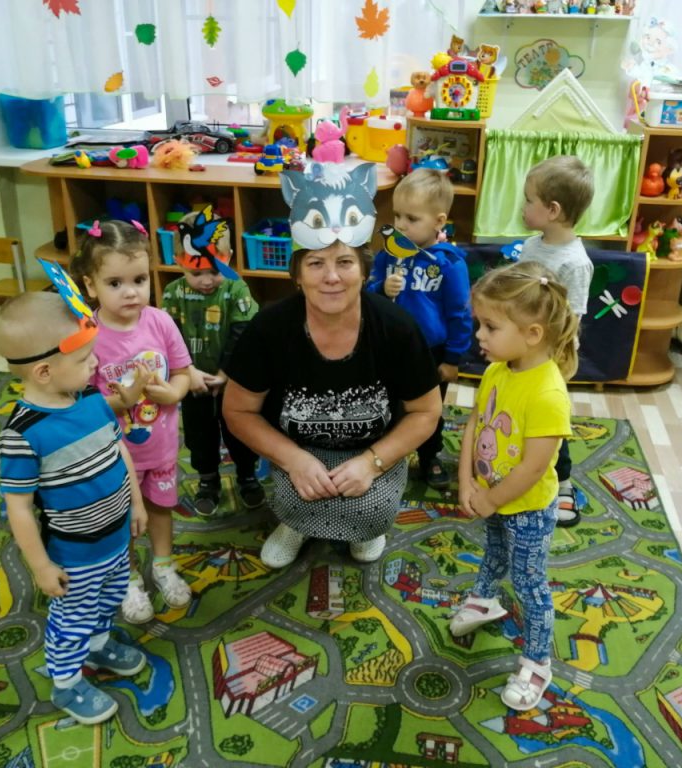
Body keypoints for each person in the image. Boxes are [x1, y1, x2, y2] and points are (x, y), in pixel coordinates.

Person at [223, 242, 443, 568]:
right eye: (315, 263)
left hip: (374, 446)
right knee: (297, 498)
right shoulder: (269, 328)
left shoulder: (396, 326)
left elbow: (426, 411)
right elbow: (238, 410)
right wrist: (292, 459)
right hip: (297, 446)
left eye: (344, 262)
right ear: (297, 275)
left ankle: (366, 530)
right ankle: (295, 525)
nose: (331, 276)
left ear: (364, 271)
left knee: (372, 508)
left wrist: (372, 463)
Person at [0, 291, 148, 725]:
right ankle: (66, 683)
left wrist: (136, 502)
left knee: (110, 597)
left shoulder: (93, 402)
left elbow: (120, 451)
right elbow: (19, 508)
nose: (95, 365)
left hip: (115, 537)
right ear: (43, 371)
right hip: (75, 553)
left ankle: (98, 647)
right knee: (72, 620)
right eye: (84, 360)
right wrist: (41, 566)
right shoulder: (23, 434)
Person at [451, 260, 577, 711]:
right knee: (494, 552)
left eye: (490, 326)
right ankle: (485, 599)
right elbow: (474, 423)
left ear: (533, 334)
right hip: (491, 497)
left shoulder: (548, 394)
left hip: (527, 508)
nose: (479, 335)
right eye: (479, 324)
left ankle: (538, 662)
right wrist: (467, 480)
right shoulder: (497, 370)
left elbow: (533, 468)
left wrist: (490, 498)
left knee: (529, 584)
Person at [71, 220, 193, 625]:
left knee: (160, 507)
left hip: (160, 448)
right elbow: (80, 404)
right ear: (91, 286)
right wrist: (120, 401)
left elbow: (182, 371)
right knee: (121, 518)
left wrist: (174, 393)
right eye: (115, 283)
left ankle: (163, 565)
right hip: (113, 455)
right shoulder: (87, 335)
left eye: (139, 280)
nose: (131, 292)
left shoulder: (160, 322)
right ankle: (126, 578)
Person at [367, 168, 472, 491]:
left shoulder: (449, 263)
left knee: (428, 410)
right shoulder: (387, 256)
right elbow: (368, 296)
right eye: (397, 215)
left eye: (411, 219)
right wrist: (382, 289)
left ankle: (429, 456)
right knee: (388, 404)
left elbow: (460, 313)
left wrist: (452, 358)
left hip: (431, 351)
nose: (400, 225)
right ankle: (385, 456)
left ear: (439, 221)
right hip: (390, 347)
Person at [517, 155, 594, 527]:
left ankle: (562, 482)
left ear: (552, 210)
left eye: (528, 200)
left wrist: (549, 360)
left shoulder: (575, 263)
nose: (522, 207)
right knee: (516, 412)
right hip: (520, 347)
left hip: (551, 358)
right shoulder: (530, 246)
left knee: (547, 421)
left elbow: (571, 320)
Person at [162, 254, 265, 516]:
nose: (206, 281)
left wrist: (225, 373)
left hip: (234, 380)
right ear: (179, 263)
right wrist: (188, 371)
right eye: (196, 274)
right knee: (199, 434)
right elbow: (170, 336)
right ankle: (208, 480)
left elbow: (243, 332)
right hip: (192, 381)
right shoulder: (172, 293)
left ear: (227, 259)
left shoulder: (237, 287)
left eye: (214, 272)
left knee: (240, 431)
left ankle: (247, 476)